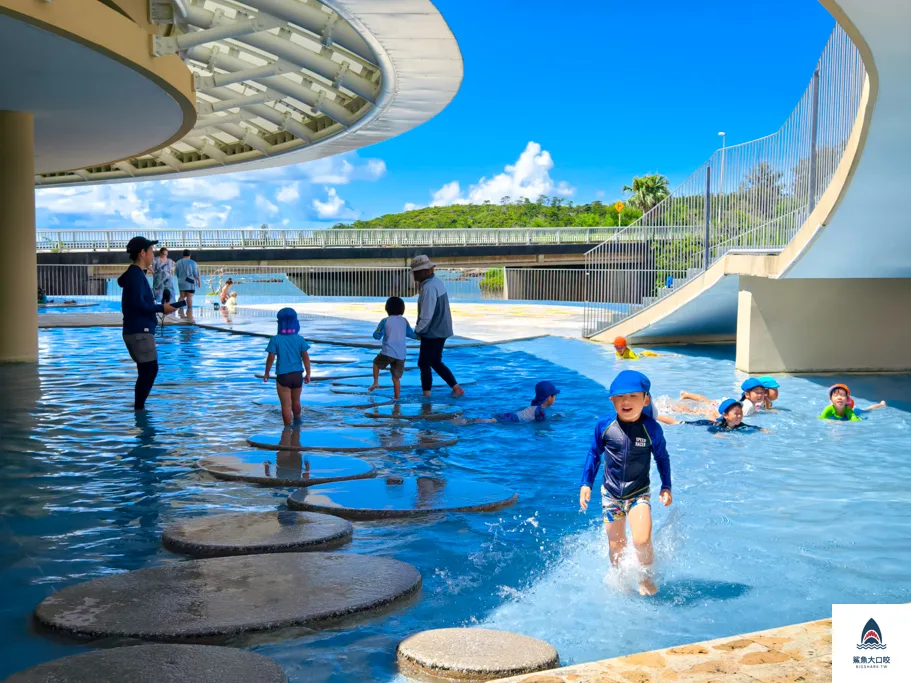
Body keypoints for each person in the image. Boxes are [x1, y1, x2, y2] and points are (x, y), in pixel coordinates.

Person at [579, 370, 672, 596]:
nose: (626, 401)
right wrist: (586, 483)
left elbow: (662, 457)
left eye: (632, 396)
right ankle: (619, 578)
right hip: (610, 495)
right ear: (612, 400)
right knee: (616, 545)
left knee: (641, 540)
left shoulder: (651, 429)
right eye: (619, 397)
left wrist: (666, 486)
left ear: (645, 399)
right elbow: (593, 454)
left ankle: (646, 575)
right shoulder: (604, 426)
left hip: (638, 493)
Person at [118, 236, 176, 411]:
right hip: (139, 332)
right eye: (151, 251)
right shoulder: (135, 275)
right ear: (142, 253)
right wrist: (161, 308)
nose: (153, 254)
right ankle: (139, 410)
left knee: (147, 371)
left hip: (138, 330)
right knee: (149, 370)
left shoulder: (136, 274)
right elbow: (138, 304)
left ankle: (139, 408)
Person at [411, 255, 465, 398]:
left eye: (417, 272)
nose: (415, 274)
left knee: (423, 363)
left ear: (425, 271)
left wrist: (417, 331)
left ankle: (426, 396)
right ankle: (456, 388)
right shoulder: (436, 282)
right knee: (435, 361)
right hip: (442, 329)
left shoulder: (428, 287)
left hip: (433, 331)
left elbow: (426, 315)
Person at [263, 308, 312, 426]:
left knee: (285, 405)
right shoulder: (300, 339)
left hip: (283, 375)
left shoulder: (275, 339)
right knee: (296, 401)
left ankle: (286, 430)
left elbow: (270, 358)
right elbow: (306, 357)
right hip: (297, 375)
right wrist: (308, 373)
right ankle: (297, 424)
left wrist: (266, 373)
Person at [369, 296, 417, 400]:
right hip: (401, 355)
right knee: (396, 378)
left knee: (376, 364)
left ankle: (376, 382)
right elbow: (412, 335)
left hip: (387, 352)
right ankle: (396, 399)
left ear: (387, 308)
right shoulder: (404, 321)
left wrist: (378, 331)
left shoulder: (385, 321)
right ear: (402, 308)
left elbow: (376, 336)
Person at [457, 381, 560, 424]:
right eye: (554, 396)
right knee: (490, 421)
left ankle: (468, 421)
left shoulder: (535, 406)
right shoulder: (539, 410)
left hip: (510, 415)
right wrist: (555, 418)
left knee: (491, 420)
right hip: (512, 419)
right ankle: (466, 422)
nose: (555, 398)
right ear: (549, 398)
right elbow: (540, 423)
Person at [680, 378, 767, 417]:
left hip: (723, 403)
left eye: (762, 393)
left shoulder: (751, 403)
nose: (760, 395)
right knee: (695, 412)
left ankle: (686, 395)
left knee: (705, 401)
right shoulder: (748, 406)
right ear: (747, 394)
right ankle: (678, 407)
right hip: (720, 408)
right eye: (757, 393)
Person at [669, 398, 763, 434]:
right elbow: (711, 429)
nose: (739, 416)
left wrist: (761, 429)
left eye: (740, 413)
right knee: (677, 422)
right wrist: (717, 434)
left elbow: (750, 426)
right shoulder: (720, 425)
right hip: (705, 423)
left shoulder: (739, 424)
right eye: (736, 413)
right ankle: (658, 416)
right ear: (725, 415)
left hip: (714, 420)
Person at [820, 384, 885, 421]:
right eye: (835, 395)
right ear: (831, 399)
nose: (839, 397)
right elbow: (821, 418)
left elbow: (854, 419)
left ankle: (881, 404)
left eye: (842, 395)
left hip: (855, 411)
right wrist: (831, 422)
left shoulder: (848, 409)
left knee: (866, 410)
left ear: (847, 400)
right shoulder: (828, 409)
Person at [175, 249, 201, 317]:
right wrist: (199, 281)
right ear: (190, 255)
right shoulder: (193, 263)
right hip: (190, 282)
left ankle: (180, 312)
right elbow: (196, 274)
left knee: (181, 296)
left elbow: (177, 274)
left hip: (181, 282)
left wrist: (181, 279)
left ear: (183, 255)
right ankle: (189, 312)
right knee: (189, 297)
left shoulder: (178, 262)